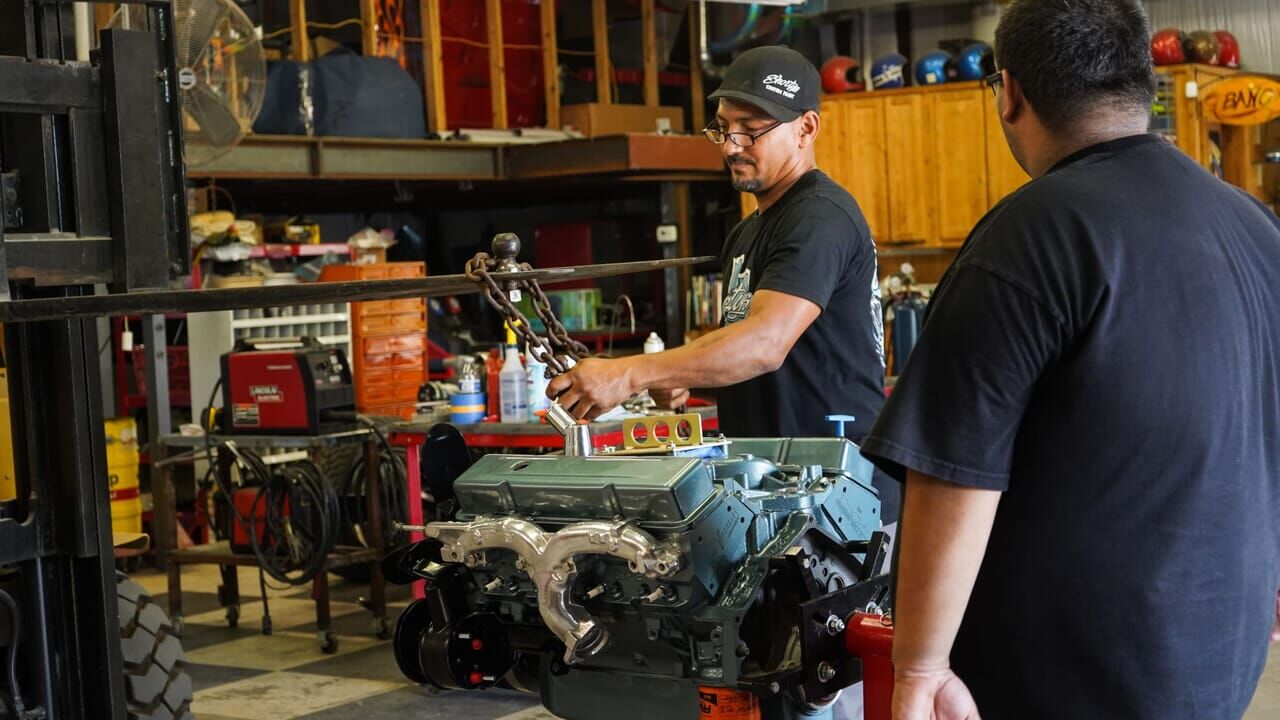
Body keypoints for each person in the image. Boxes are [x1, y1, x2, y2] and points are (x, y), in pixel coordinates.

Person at [859, 1, 1280, 718]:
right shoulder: (1253, 225)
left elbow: (954, 472)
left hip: (1068, 680)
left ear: (1010, 92)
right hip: (1217, 662)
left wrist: (920, 665)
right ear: (1141, 78)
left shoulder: (1031, 234)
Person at [546, 46, 896, 521]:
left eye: (750, 130)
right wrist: (680, 378)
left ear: (806, 128)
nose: (731, 146)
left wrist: (629, 374)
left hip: (838, 498)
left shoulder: (820, 216)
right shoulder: (747, 233)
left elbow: (764, 345)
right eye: (723, 128)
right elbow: (756, 362)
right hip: (771, 488)